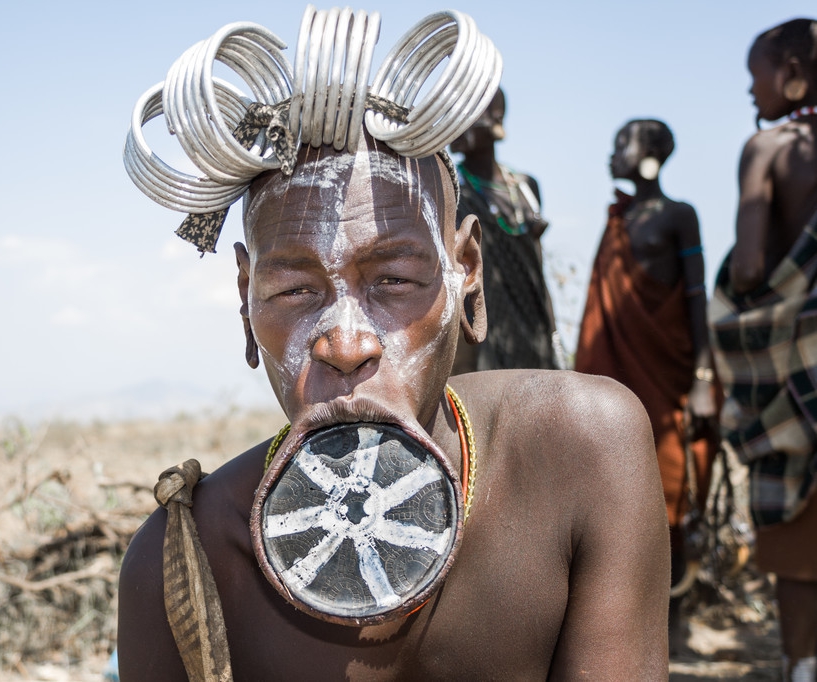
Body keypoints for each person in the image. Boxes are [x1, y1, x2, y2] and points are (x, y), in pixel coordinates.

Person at [119, 8, 670, 680]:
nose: (345, 343)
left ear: (465, 269)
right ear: (244, 298)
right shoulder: (182, 557)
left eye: (395, 280)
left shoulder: (582, 451)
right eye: (294, 291)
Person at [574, 118, 719, 652]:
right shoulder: (618, 218)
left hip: (669, 378)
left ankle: (674, 621)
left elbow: (697, 300)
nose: (613, 154)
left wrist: (703, 378)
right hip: (616, 379)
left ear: (652, 153)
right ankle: (623, 624)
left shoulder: (680, 216)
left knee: (671, 493)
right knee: (614, 497)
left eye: (623, 144)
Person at [708, 18, 817, 681]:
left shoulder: (769, 147)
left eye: (755, 76)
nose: (751, 93)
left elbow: (749, 268)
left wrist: (737, 294)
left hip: (796, 366)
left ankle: (801, 664)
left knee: (795, 537)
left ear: (791, 71)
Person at [448, 88, 562, 373]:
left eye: (464, 114)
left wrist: (553, 332)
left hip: (532, 325)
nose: (452, 125)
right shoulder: (451, 188)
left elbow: (538, 266)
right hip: (483, 329)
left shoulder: (525, 187)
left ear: (495, 118)